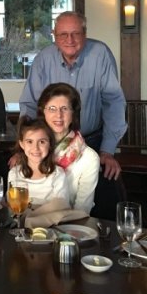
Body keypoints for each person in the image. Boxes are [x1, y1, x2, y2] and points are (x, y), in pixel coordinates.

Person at [19, 11, 127, 180]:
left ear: (85, 34)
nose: (70, 40)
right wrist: (25, 149)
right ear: (54, 35)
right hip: (50, 145)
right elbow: (30, 105)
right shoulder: (43, 59)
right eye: (63, 34)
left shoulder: (101, 54)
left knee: (101, 198)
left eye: (76, 34)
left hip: (92, 143)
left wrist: (107, 151)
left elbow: (113, 103)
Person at [37, 83, 100, 214]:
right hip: (30, 222)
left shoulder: (89, 158)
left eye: (64, 108)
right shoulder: (33, 149)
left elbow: (81, 211)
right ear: (43, 112)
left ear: (73, 114)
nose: (58, 115)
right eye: (52, 108)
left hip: (67, 226)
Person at [8, 117, 70, 207]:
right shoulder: (14, 174)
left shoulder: (57, 174)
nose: (36, 148)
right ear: (22, 144)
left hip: (49, 220)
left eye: (42, 142)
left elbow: (62, 207)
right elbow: (13, 206)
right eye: (29, 142)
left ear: (50, 144)